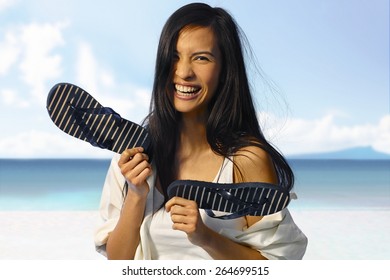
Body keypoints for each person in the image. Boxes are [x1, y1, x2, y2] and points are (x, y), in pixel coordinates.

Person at [94, 2, 307, 260]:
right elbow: (117, 262)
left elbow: (276, 266)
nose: (183, 72)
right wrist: (136, 196)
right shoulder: (132, 155)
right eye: (174, 56)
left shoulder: (246, 161)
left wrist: (205, 236)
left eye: (201, 58)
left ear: (225, 69)